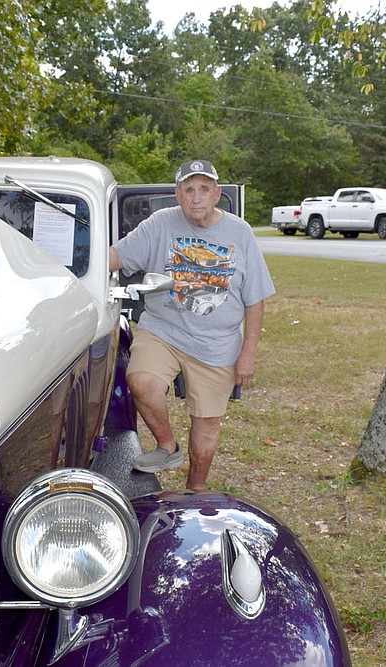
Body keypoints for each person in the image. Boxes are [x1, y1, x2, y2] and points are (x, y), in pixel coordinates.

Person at [110, 160, 275, 490]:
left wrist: (248, 355)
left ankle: (194, 489)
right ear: (178, 195)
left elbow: (255, 299)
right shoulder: (160, 223)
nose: (196, 197)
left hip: (217, 341)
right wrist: (76, 264)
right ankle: (167, 446)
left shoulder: (239, 233)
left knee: (207, 422)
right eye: (189, 190)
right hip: (163, 329)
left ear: (217, 194)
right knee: (141, 381)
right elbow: (115, 257)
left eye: (204, 189)